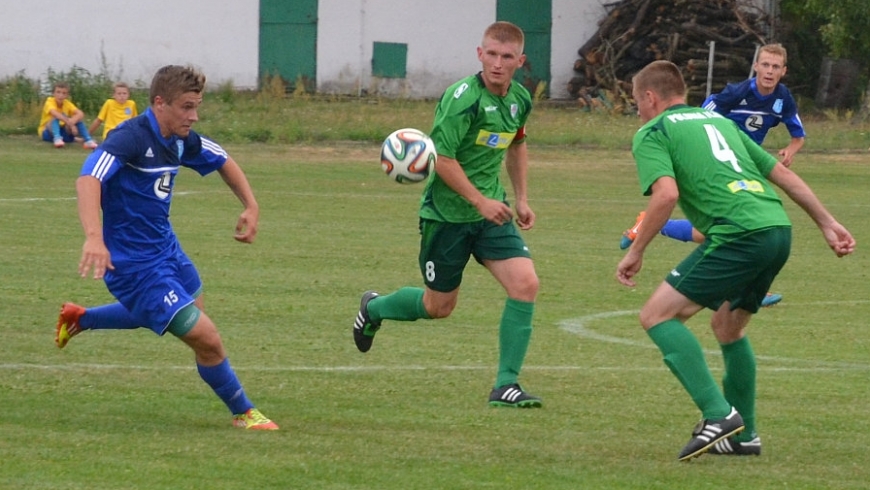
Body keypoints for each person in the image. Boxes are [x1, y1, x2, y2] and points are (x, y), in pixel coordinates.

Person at [616, 60, 854, 460]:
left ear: (650, 97)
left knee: (656, 316)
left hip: (739, 234)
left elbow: (666, 195)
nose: (637, 110)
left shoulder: (652, 131)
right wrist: (827, 223)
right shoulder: (722, 123)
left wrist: (637, 249)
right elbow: (782, 174)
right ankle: (745, 436)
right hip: (777, 230)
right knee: (727, 325)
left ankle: (719, 415)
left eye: (637, 101)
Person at [55, 65, 278, 430]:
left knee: (186, 320)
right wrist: (94, 237)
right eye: (187, 107)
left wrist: (251, 205)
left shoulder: (179, 139)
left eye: (197, 106)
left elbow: (222, 159)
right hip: (133, 267)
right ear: (160, 103)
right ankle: (244, 412)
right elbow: (88, 178)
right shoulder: (129, 138)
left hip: (167, 251)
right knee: (206, 338)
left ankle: (82, 318)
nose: (194, 116)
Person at [353, 21, 542, 408]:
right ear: (479, 54)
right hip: (447, 217)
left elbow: (516, 144)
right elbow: (443, 159)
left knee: (525, 285)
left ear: (519, 61)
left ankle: (506, 385)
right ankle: (373, 308)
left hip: (491, 213)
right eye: (491, 54)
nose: (497, 63)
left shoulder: (519, 99)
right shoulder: (462, 99)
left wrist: (521, 197)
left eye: (506, 57)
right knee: (439, 307)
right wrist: (479, 201)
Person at [619, 44, 805, 307]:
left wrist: (790, 149)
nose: (769, 71)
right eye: (765, 65)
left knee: (735, 226)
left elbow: (798, 136)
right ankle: (747, 283)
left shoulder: (783, 98)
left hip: (745, 165)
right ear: (756, 67)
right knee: (739, 225)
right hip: (722, 167)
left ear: (783, 71)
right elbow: (702, 117)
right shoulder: (736, 93)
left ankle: (652, 223)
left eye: (775, 67)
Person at [38, 82, 98, 149]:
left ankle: (88, 140)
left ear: (67, 95)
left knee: (78, 120)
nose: (61, 95)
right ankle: (57, 138)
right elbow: (55, 114)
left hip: (63, 132)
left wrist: (73, 121)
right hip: (48, 132)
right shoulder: (49, 102)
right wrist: (71, 125)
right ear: (53, 94)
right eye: (58, 92)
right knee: (56, 117)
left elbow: (80, 113)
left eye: (64, 93)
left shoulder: (67, 103)